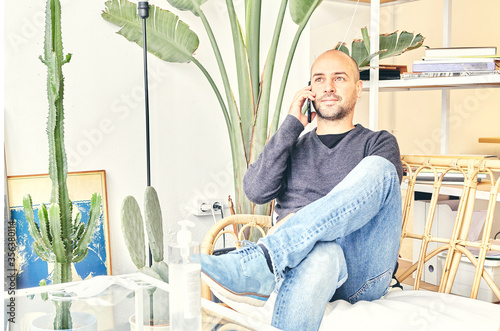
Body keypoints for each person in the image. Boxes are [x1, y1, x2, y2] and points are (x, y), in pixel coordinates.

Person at [200, 49, 403, 331]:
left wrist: (295, 221)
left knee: (382, 170)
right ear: (309, 91)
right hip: (305, 265)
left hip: (361, 273)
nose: (328, 87)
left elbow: (377, 193)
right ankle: (272, 259)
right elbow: (256, 191)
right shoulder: (292, 146)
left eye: (339, 78)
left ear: (358, 89)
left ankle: (264, 260)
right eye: (319, 79)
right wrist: (290, 126)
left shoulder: (378, 143)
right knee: (322, 252)